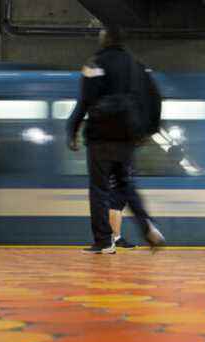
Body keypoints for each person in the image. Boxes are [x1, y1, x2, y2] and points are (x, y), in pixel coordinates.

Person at [67, 26, 165, 254]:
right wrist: (148, 131)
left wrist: (72, 130)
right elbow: (156, 98)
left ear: (105, 40)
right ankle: (148, 226)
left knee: (99, 189)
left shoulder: (94, 63)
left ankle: (103, 241)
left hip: (100, 137)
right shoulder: (138, 67)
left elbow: (84, 101)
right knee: (126, 186)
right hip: (128, 137)